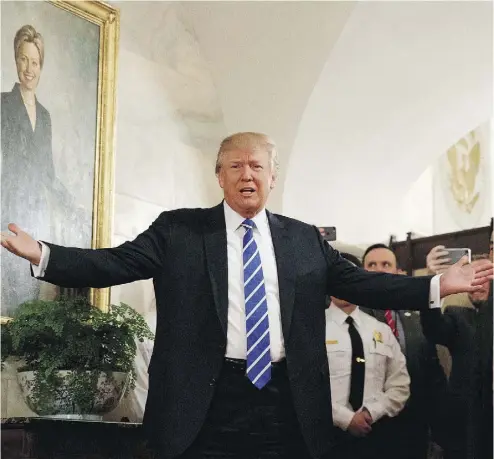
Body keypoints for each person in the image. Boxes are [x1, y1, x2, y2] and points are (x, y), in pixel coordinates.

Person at [1, 132, 493, 459]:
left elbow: (361, 283)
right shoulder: (179, 231)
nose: (246, 174)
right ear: (219, 176)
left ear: (272, 176)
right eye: (234, 165)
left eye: (257, 165)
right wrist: (43, 253)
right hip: (204, 401)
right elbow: (114, 263)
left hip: (286, 401)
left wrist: (434, 285)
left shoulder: (302, 239)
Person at [1, 24, 82, 314]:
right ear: (15, 60)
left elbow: (48, 173)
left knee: (30, 298)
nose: (28, 68)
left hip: (36, 217)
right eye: (23, 59)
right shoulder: (2, 104)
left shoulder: (45, 117)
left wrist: (73, 207)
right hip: (7, 211)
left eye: (34, 62)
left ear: (41, 66)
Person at [361, 244, 447, 459]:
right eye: (371, 265)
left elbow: (432, 370)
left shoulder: (417, 316)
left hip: (414, 424)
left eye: (386, 264)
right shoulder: (355, 317)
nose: (379, 269)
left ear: (399, 273)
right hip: (370, 426)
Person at [325, 255, 410, 459]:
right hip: (326, 436)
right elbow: (304, 387)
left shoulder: (380, 329)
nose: (342, 287)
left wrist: (371, 412)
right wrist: (346, 419)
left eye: (348, 279)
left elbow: (399, 385)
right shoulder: (311, 329)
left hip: (375, 435)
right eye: (335, 280)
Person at [422, 248, 493, 459]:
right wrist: (433, 284)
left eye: (484, 279)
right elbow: (433, 329)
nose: (477, 285)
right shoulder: (458, 316)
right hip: (464, 420)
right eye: (472, 278)